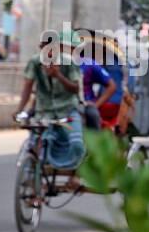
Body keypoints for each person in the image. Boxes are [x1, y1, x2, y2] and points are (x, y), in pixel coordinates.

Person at [14, 34, 86, 171]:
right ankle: (34, 176)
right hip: (44, 111)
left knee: (76, 144)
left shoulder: (68, 62)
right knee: (38, 143)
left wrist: (58, 75)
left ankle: (73, 170)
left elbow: (76, 88)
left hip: (67, 110)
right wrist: (19, 110)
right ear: (41, 48)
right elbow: (27, 87)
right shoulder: (35, 63)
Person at [80, 54, 118, 131]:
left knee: (93, 114)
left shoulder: (88, 64)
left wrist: (95, 105)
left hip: (85, 105)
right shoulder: (56, 63)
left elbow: (112, 86)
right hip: (64, 104)